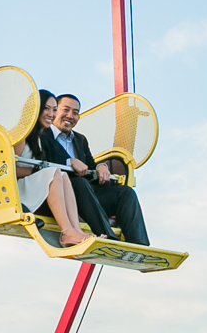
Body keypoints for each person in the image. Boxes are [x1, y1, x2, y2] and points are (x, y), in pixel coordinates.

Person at [52, 93, 150, 245]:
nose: (70, 116)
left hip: (85, 195)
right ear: (54, 111)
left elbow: (90, 166)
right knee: (79, 183)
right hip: (60, 193)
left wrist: (101, 166)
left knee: (125, 193)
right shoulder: (44, 134)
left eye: (75, 113)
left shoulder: (80, 140)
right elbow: (41, 159)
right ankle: (107, 236)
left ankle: (139, 244)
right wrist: (69, 161)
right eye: (65, 110)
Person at [13, 91, 95, 247]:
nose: (51, 114)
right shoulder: (22, 134)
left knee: (62, 175)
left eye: (54, 109)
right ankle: (66, 231)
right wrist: (36, 172)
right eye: (46, 109)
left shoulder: (39, 137)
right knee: (54, 173)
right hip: (16, 190)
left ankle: (75, 229)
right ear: (35, 109)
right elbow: (9, 170)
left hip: (33, 185)